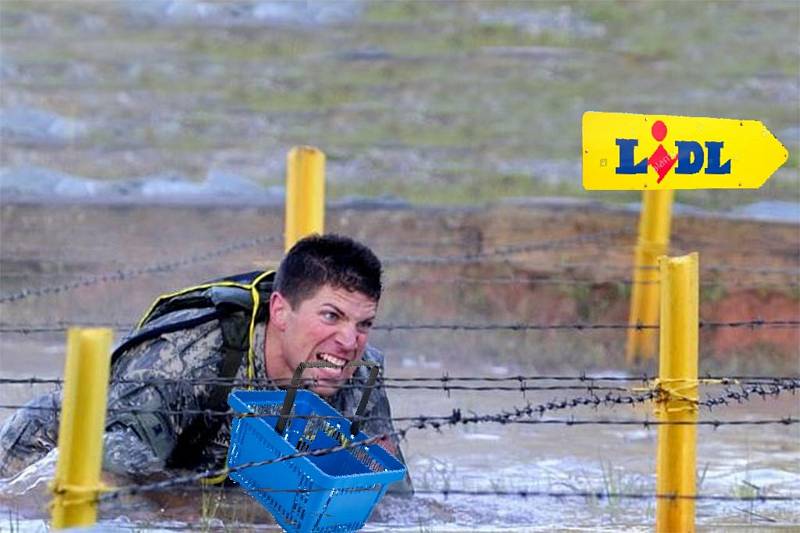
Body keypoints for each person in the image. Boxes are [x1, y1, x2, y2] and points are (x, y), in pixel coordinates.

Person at [0, 234, 412, 493]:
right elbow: (109, 471)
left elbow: (393, 502)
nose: (348, 341)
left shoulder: (358, 371)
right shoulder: (189, 354)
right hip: (42, 456)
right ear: (281, 312)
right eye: (331, 316)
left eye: (364, 323)